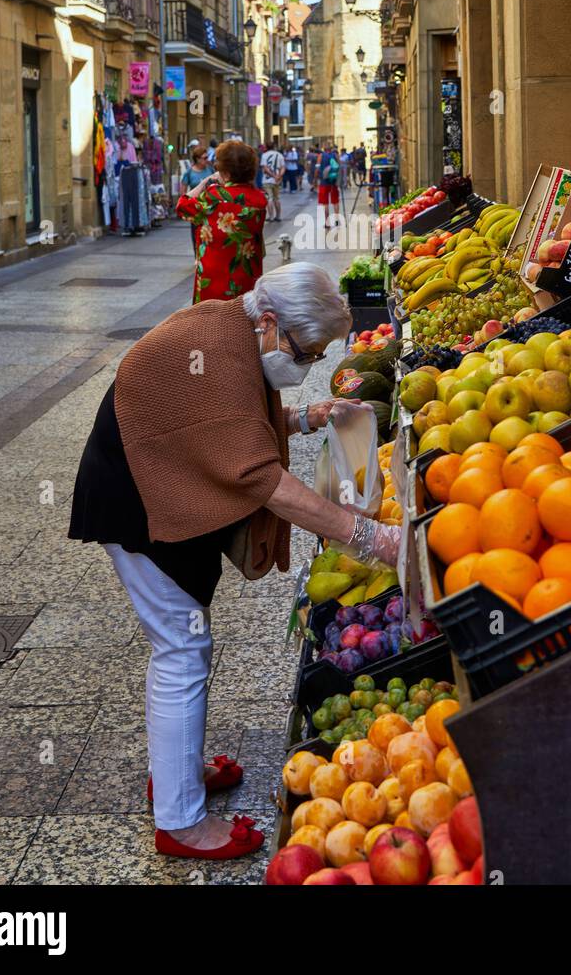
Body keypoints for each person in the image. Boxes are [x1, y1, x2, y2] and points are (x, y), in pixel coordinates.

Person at [69, 263, 399, 862]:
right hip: (134, 501)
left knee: (182, 641)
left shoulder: (232, 326)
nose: (304, 366)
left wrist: (301, 418)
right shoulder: (218, 350)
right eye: (306, 352)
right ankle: (179, 822)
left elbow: (225, 424)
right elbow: (258, 477)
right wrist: (371, 538)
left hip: (155, 483)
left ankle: (177, 771)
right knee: (181, 649)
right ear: (271, 322)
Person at [175, 142, 266, 303]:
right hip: (247, 277)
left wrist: (205, 182)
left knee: (212, 322)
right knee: (242, 319)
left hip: (214, 278)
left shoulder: (213, 196)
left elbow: (182, 205)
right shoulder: (259, 199)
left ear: (224, 170)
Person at [180, 144, 215, 255]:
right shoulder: (189, 172)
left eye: (207, 157)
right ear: (197, 159)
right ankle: (198, 256)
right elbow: (183, 191)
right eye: (204, 158)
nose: (206, 160)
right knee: (196, 232)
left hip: (210, 206)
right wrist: (185, 207)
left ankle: (209, 255)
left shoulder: (210, 169)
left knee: (210, 232)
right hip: (196, 207)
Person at [260, 138, 285, 221]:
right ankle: (278, 216)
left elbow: (265, 168)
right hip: (277, 181)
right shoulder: (279, 155)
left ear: (266, 147)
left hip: (267, 180)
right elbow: (283, 167)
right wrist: (278, 176)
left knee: (269, 198)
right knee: (277, 198)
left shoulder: (264, 155)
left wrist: (273, 176)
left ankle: (270, 217)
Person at [317, 142, 341, 227]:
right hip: (333, 182)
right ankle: (337, 221)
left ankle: (327, 223)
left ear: (324, 148)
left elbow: (317, 169)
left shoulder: (320, 156)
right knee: (335, 201)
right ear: (331, 148)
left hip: (324, 182)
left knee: (325, 203)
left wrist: (315, 179)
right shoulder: (335, 155)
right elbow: (339, 167)